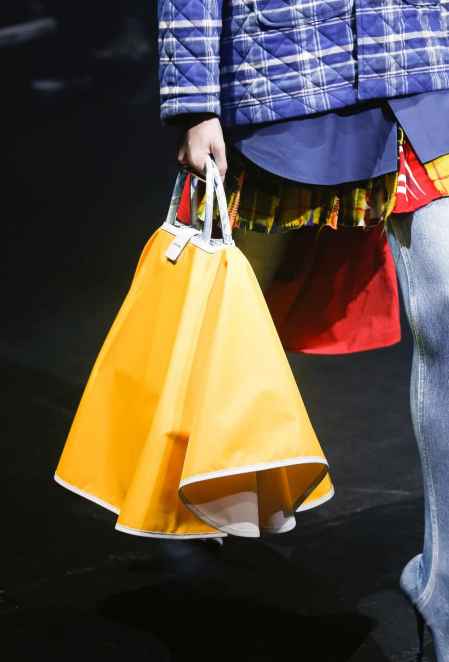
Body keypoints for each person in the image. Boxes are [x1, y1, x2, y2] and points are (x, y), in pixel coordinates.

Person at [158, 1, 449, 660]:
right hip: (286, 63)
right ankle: (184, 476)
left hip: (423, 49)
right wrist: (193, 100)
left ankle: (443, 589)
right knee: (226, 293)